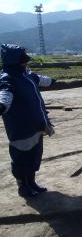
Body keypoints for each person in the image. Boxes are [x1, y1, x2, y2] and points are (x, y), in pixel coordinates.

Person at [0, 44, 55, 197]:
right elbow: (5, 94)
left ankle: (31, 182)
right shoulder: (7, 78)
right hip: (21, 128)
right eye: (23, 59)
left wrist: (52, 81)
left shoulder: (26, 74)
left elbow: (41, 79)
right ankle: (23, 186)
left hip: (36, 125)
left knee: (34, 156)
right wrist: (2, 105)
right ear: (15, 61)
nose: (26, 61)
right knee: (21, 158)